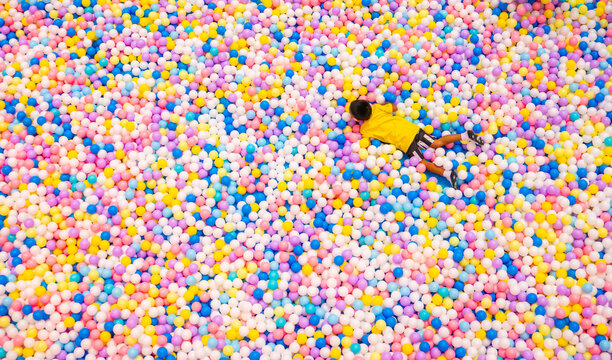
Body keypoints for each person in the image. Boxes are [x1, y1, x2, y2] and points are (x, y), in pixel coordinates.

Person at [349, 100, 484, 189]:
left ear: (357, 118)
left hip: (405, 143)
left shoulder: (365, 129)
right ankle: (465, 135)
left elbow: (366, 141)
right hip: (412, 130)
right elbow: (394, 107)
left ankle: (447, 173)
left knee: (423, 163)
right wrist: (385, 103)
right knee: (437, 143)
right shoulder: (378, 108)